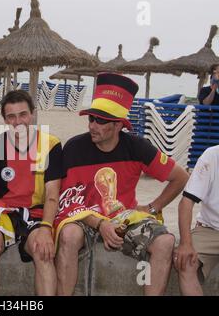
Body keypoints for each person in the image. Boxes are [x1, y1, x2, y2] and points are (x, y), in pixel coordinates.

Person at [54, 73, 189, 296]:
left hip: (123, 216)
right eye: (91, 119)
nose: (92, 126)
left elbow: (181, 177)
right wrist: (99, 224)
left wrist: (152, 208)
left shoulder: (137, 147)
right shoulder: (74, 148)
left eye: (101, 120)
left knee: (165, 241)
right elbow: (67, 202)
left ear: (118, 125)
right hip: (84, 216)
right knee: (69, 235)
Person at [0, 90, 62, 296]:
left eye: (23, 114)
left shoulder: (51, 145)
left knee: (43, 253)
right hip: (2, 213)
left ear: (32, 113)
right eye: (11, 117)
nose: (18, 121)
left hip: (35, 213)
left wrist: (46, 228)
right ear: (5, 120)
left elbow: (52, 194)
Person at [174, 145, 219, 295]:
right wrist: (185, 244)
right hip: (211, 229)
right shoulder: (212, 156)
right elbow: (186, 202)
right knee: (185, 261)